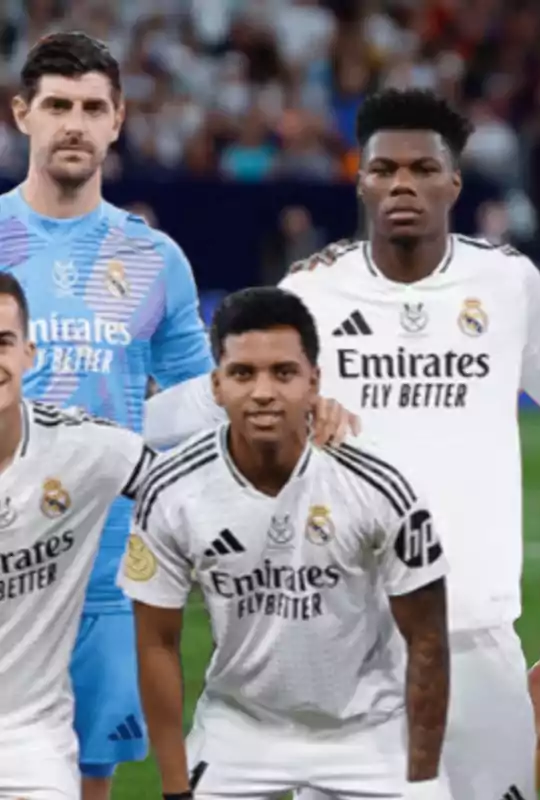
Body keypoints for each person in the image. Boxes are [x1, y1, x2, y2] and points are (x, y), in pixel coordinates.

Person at [143, 87, 540, 800]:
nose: (402, 185)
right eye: (385, 170)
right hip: (350, 637)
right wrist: (114, 418)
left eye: (422, 169)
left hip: (477, 622)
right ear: (361, 180)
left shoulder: (508, 283)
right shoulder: (315, 290)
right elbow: (223, 392)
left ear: (454, 181)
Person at [5, 33, 358, 799]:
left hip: (104, 568)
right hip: (6, 558)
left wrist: (303, 412)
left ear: (118, 120)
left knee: (86, 780)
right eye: (57, 105)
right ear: (22, 113)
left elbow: (208, 401)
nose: (74, 122)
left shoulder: (152, 258)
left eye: (92, 107)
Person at [119, 287, 452, 800]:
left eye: (283, 372)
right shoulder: (173, 489)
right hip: (240, 727)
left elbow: (428, 640)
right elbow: (156, 642)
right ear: (215, 384)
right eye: (243, 374)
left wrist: (423, 776)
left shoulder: (378, 483)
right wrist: (174, 786)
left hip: (368, 729)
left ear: (313, 381)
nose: (263, 392)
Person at [0, 273, 157, 798]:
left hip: (30, 745)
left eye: (2, 342)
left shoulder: (84, 449)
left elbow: (190, 491)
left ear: (29, 353)